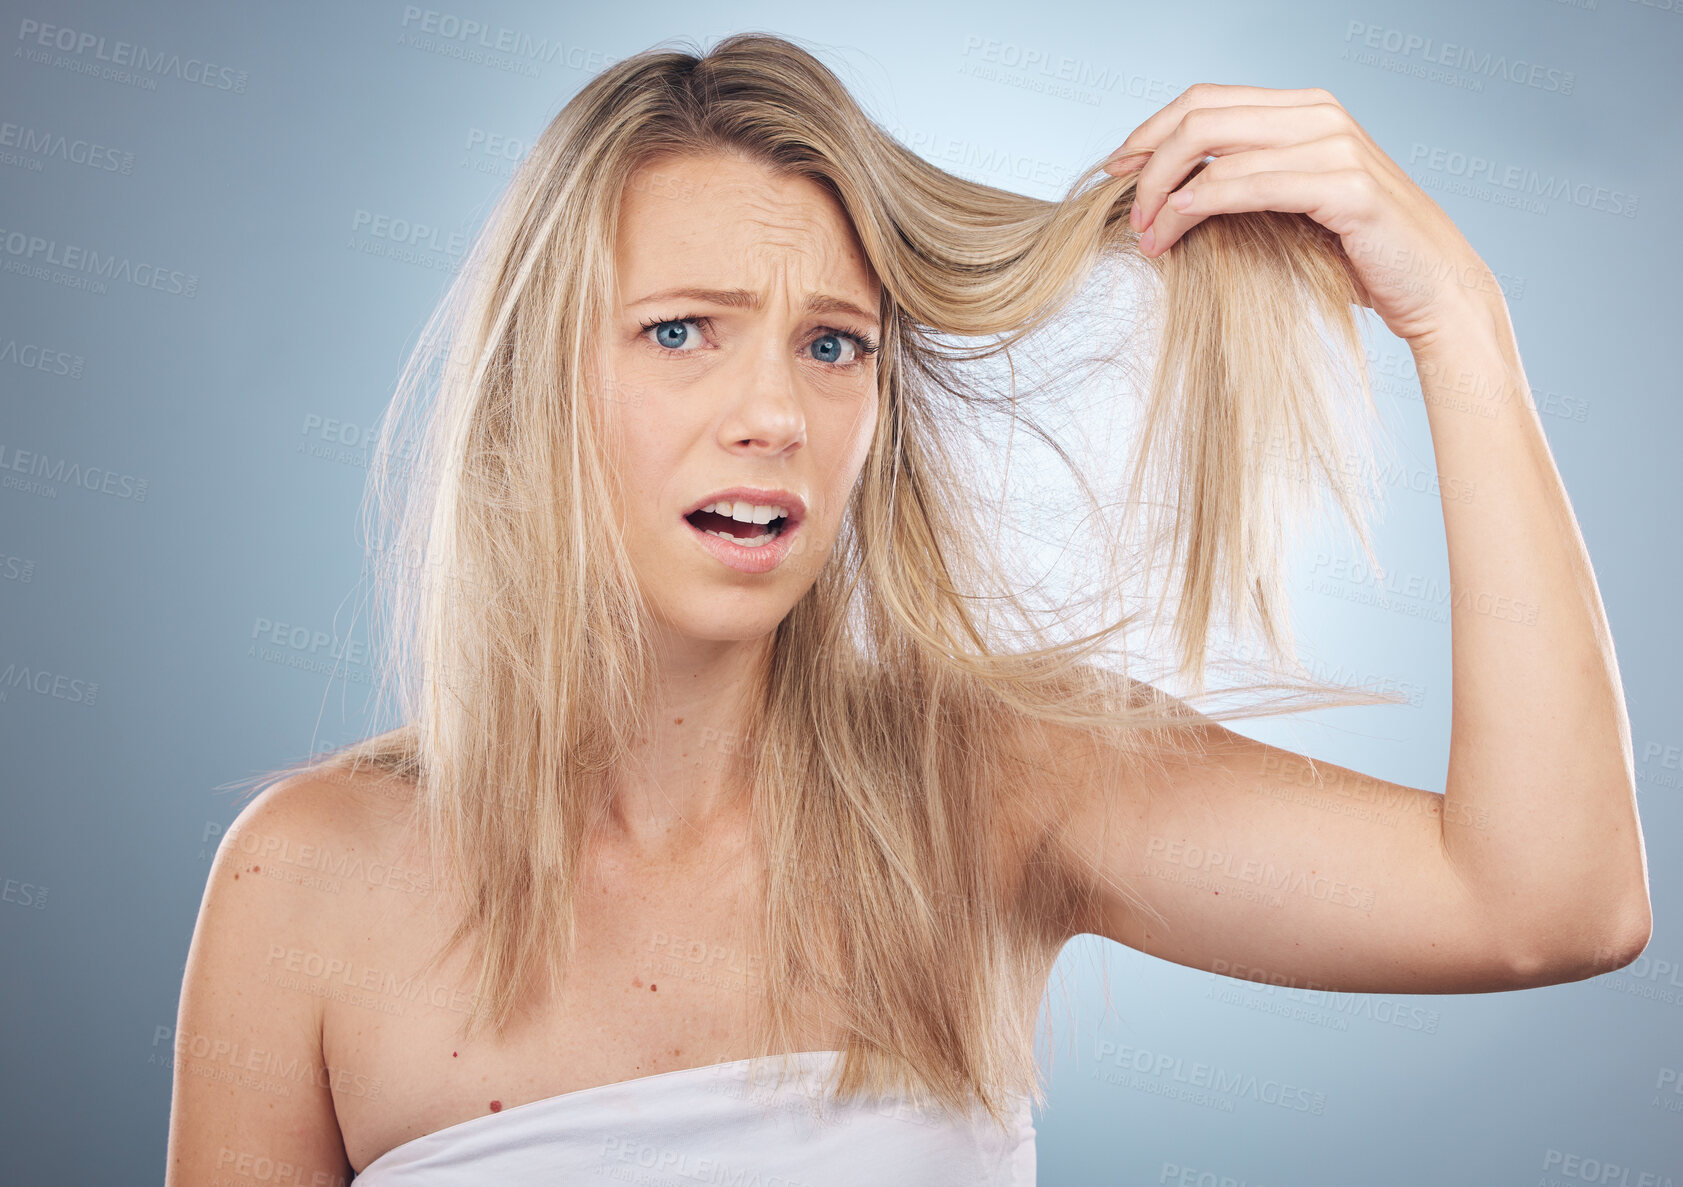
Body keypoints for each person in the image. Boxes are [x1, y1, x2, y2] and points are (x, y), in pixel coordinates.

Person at [165, 31, 1650, 1186]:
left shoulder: (993, 785)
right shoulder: (304, 885)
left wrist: (1458, 315)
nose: (774, 413)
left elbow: (1551, 904)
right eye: (680, 331)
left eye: (834, 345)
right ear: (536, 382)